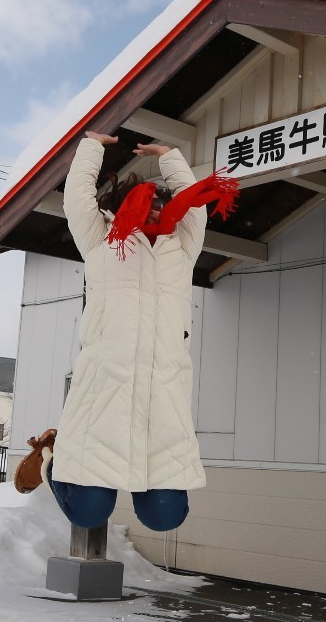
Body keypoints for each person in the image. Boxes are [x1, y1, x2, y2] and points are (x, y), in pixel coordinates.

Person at [47, 131, 236, 535]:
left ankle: (147, 496)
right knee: (88, 512)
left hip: (163, 401)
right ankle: (53, 462)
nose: (154, 213)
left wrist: (170, 157)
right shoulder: (102, 242)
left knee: (164, 517)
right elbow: (76, 200)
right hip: (104, 395)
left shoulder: (181, 249)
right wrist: (92, 147)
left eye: (160, 206)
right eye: (147, 205)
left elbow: (196, 210)